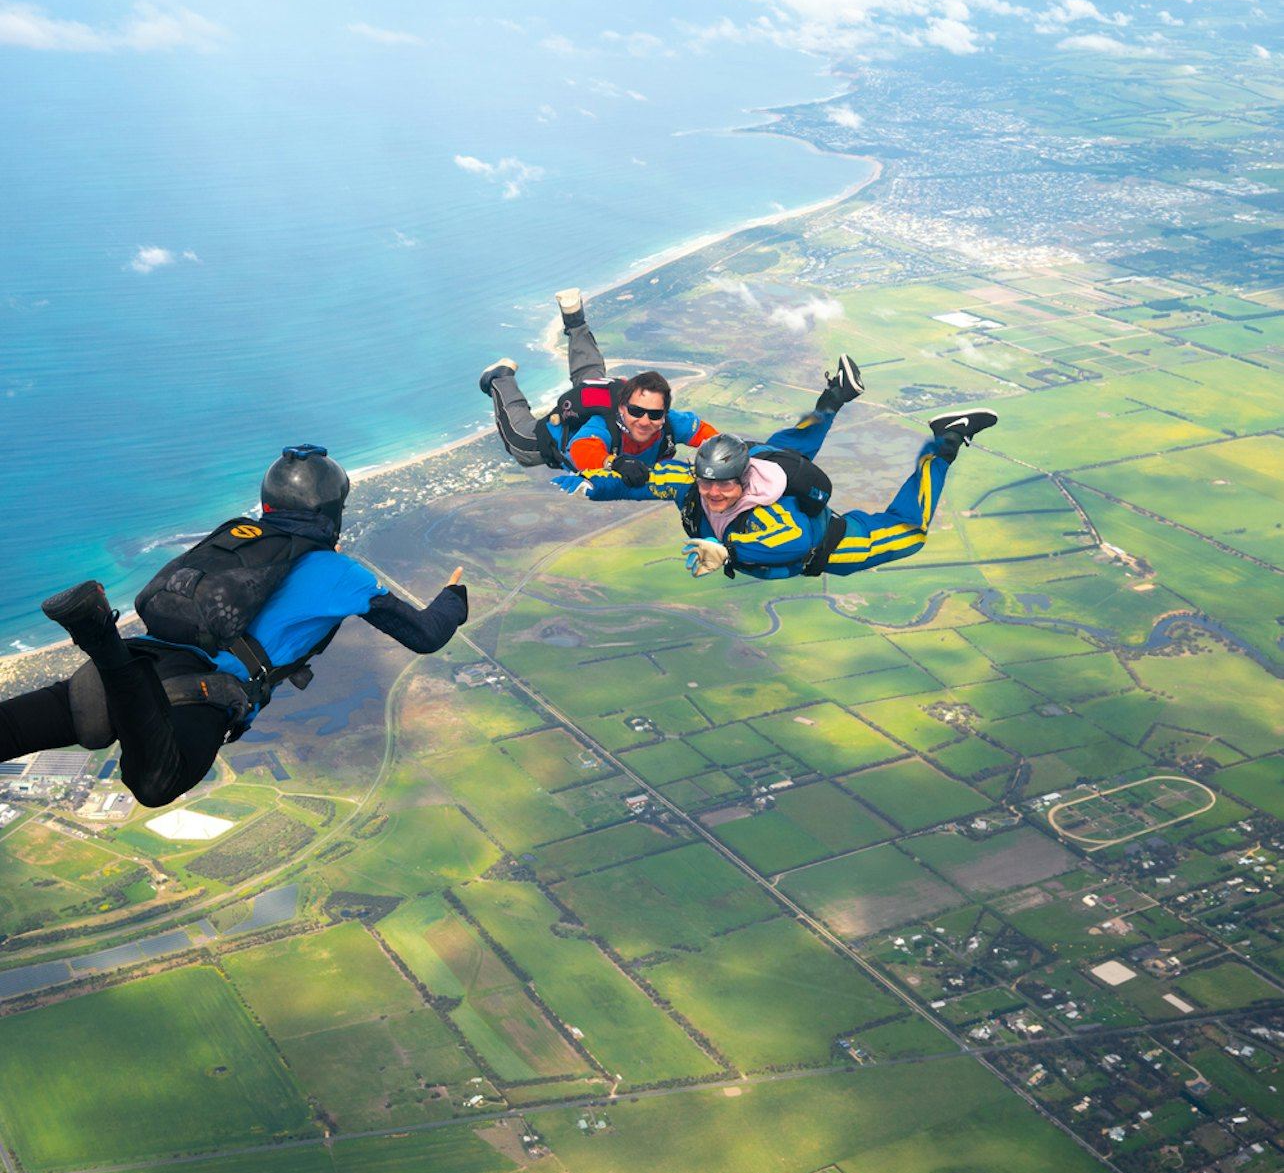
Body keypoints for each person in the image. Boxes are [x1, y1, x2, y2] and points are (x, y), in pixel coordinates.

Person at [0, 445, 467, 808]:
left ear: (269, 505)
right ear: (332, 512)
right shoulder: (340, 574)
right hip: (196, 690)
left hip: (142, 654)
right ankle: (97, 635)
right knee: (157, 782)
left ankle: (105, 640)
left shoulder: (235, 537)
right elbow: (425, 635)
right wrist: (454, 598)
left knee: (10, 730)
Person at [557, 364, 998, 581]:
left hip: (837, 544)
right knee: (793, 443)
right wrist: (595, 485)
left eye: (723, 485)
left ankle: (945, 445)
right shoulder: (696, 483)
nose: (712, 492)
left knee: (910, 532)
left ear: (742, 481)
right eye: (706, 480)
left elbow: (794, 541)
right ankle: (836, 394)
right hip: (768, 457)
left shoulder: (768, 513)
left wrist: (724, 549)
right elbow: (646, 482)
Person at [479, 288, 719, 484]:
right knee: (518, 441)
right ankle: (500, 376)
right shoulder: (603, 426)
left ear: (665, 413)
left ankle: (575, 319)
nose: (645, 421)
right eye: (636, 411)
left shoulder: (673, 423)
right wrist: (614, 463)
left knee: (590, 375)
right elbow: (583, 449)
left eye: (655, 414)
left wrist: (736, 451)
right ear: (623, 408)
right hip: (560, 433)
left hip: (599, 390)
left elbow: (708, 436)